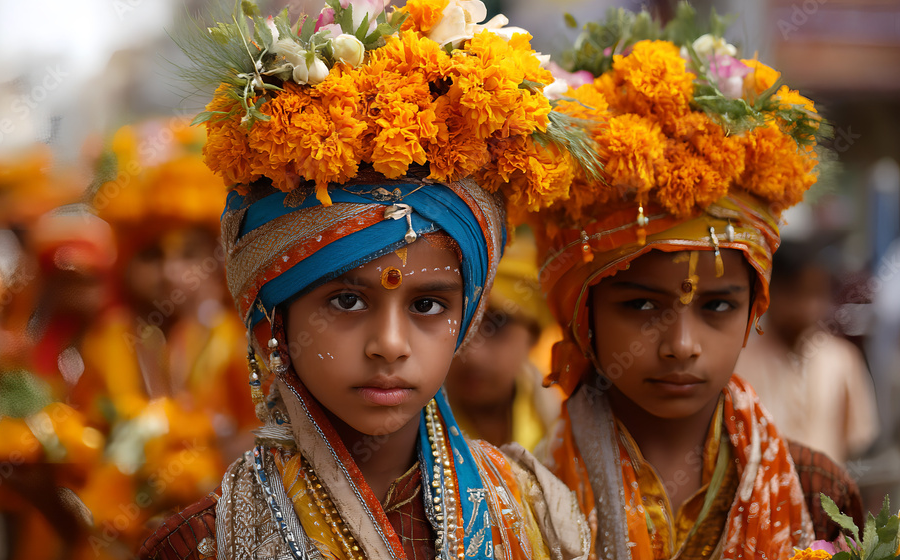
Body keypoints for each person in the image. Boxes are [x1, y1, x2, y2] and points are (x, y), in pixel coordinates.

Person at [140, 1, 597, 559]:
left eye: (428, 306)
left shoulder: (537, 515)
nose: (390, 345)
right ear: (275, 318)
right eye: (348, 300)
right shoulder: (200, 545)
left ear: (466, 315)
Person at [526, 7, 861, 558]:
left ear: (756, 309)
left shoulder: (818, 491)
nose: (681, 345)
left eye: (717, 307)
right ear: (581, 311)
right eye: (639, 305)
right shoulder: (520, 503)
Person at [736, 238, 879, 465]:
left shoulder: (842, 360)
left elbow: (858, 439)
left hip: (827, 499)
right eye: (793, 293)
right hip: (762, 500)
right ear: (768, 291)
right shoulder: (738, 365)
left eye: (815, 294)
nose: (806, 307)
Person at [446, 229, 563, 450]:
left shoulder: (569, 431)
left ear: (534, 335)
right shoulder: (405, 440)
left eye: (495, 327)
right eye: (460, 328)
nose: (472, 355)